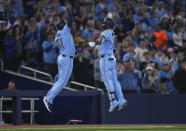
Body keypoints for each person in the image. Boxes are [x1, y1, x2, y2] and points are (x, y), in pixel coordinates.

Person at [88, 14, 127, 112]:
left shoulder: (106, 31)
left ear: (108, 24)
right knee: (114, 80)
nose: (102, 24)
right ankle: (121, 99)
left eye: (104, 23)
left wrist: (94, 43)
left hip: (105, 59)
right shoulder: (111, 32)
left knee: (107, 80)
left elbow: (100, 39)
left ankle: (113, 101)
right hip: (111, 58)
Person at [43, 2, 74, 112]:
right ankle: (48, 98)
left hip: (62, 57)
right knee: (63, 82)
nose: (66, 24)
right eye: (64, 23)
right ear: (62, 26)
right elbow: (70, 21)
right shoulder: (64, 31)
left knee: (61, 81)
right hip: (66, 58)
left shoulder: (58, 35)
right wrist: (68, 9)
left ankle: (49, 98)